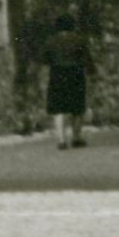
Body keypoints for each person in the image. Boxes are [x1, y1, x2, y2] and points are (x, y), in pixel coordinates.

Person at [42, 14, 93, 150]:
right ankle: (76, 137)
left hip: (57, 74)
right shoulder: (79, 40)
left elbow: (44, 59)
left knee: (58, 108)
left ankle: (61, 139)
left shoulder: (51, 41)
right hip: (76, 74)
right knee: (77, 108)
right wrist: (92, 72)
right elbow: (87, 59)